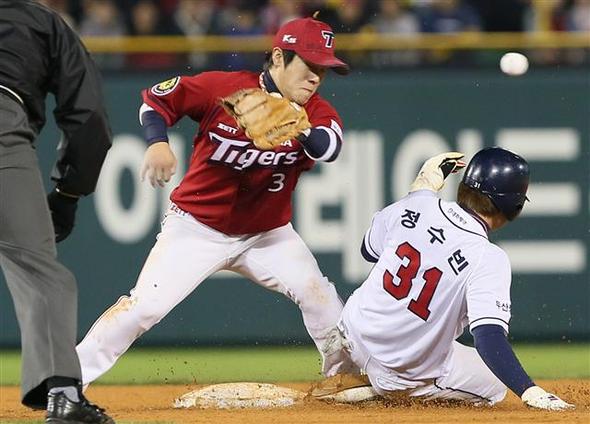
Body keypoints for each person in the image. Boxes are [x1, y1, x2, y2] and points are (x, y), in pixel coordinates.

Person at [76, 15, 357, 386]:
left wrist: (299, 126)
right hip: (196, 228)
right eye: (310, 65)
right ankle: (67, 380)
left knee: (320, 298)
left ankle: (345, 384)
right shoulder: (223, 88)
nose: (316, 78)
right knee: (144, 308)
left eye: (324, 70)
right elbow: (156, 101)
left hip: (268, 235)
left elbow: (330, 148)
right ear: (278, 58)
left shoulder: (316, 112)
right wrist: (157, 143)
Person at [312, 148, 575, 411]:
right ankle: (378, 390)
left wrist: (421, 190)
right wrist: (529, 389)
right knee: (494, 386)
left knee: (436, 335)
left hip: (351, 333)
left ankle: (361, 371)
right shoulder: (488, 257)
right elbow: (488, 337)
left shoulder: (416, 204)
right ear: (514, 206)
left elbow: (368, 251)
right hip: (395, 371)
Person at [0, 1, 114, 423]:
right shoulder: (41, 20)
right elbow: (88, 118)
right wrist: (68, 192)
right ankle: (63, 395)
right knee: (38, 270)